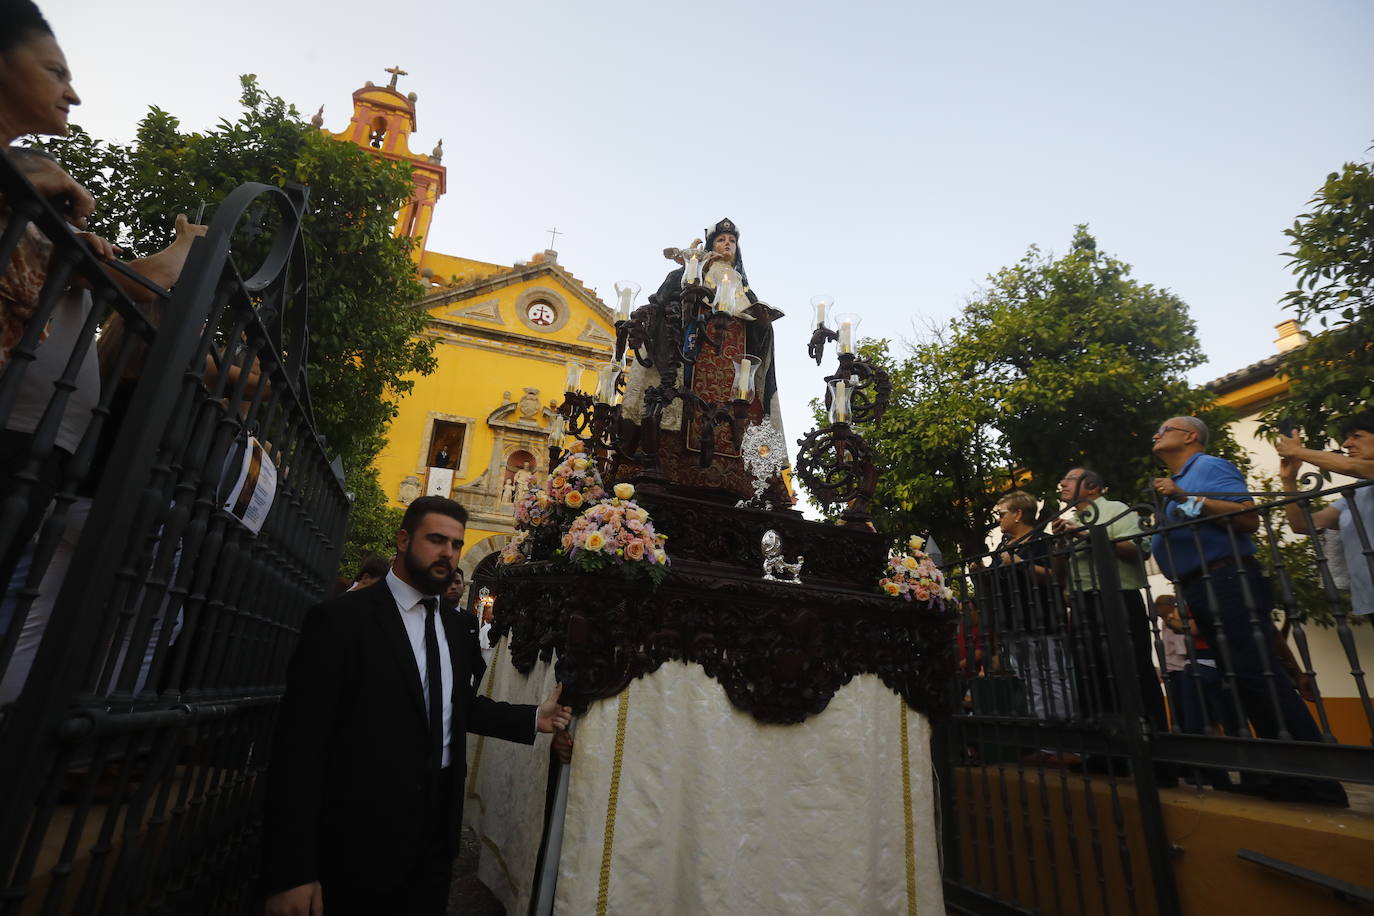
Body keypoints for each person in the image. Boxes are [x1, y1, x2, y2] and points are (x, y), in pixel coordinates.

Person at [261, 496, 573, 915]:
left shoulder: (456, 624)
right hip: (356, 837)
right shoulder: (341, 621)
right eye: (437, 540)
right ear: (404, 540)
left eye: (457, 545)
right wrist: (292, 871)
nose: (448, 553)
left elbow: (454, 705)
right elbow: (298, 748)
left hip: (433, 839)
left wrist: (534, 717)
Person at [1149, 415, 1346, 805]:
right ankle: (1282, 775)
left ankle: (1317, 780)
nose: (1156, 435)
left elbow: (1247, 518)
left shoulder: (1208, 466)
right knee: (1242, 678)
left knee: (1256, 674)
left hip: (1227, 578)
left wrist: (1185, 498)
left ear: (1190, 436)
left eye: (1164, 429)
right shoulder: (1182, 480)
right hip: (1203, 585)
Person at [1050, 467, 1165, 733]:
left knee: (1133, 670)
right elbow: (1060, 575)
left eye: (1068, 480)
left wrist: (1086, 534)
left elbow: (1137, 551)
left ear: (1092, 487)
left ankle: (1152, 746)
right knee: (1091, 674)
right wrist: (1059, 546)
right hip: (1082, 602)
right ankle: (1106, 753)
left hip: (1119, 600)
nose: (1061, 484)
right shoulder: (1071, 519)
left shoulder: (1116, 509)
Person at [1276, 413, 1374, 616]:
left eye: (1357, 436)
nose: (1347, 444)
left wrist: (1297, 450)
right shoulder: (1357, 491)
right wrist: (1289, 481)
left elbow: (1349, 465)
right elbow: (1303, 525)